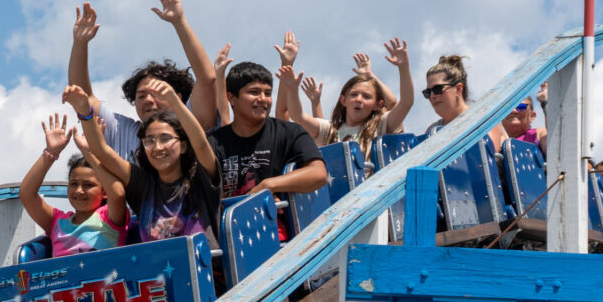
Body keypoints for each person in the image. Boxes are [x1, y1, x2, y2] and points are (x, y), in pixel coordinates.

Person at [67, 0, 217, 161]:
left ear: (177, 96)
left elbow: (207, 79)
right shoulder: (125, 131)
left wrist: (179, 21)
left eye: (157, 93)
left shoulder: (193, 121)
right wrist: (80, 44)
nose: (148, 100)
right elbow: (82, 97)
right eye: (141, 96)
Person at [62, 82, 222, 247]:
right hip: (158, 271)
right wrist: (84, 112)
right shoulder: (142, 185)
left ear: (183, 145)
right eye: (150, 141)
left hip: (205, 269)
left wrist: (175, 102)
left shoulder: (201, 178)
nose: (158, 147)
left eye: (165, 139)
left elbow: (202, 144)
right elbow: (100, 150)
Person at [210, 61, 327, 239]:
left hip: (278, 237)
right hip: (228, 234)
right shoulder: (215, 141)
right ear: (232, 98)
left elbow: (318, 174)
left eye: (267, 93)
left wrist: (268, 186)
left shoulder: (289, 132)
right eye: (254, 92)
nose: (263, 99)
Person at [280, 38, 415, 161]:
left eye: (366, 96)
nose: (359, 99)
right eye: (354, 94)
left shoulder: (381, 125)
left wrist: (404, 67)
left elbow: (406, 103)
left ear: (378, 105)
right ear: (343, 100)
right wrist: (292, 90)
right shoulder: (329, 130)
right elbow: (298, 116)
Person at [19, 113, 129, 256]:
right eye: (74, 184)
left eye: (88, 185)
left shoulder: (110, 217)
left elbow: (118, 194)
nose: (79, 190)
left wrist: (88, 152)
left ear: (104, 192)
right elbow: (26, 194)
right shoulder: (57, 223)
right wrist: (51, 153)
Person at [424, 55, 507, 149]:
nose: (432, 96)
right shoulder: (432, 131)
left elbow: (487, 157)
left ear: (458, 89)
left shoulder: (484, 119)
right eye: (427, 92)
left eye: (437, 89)